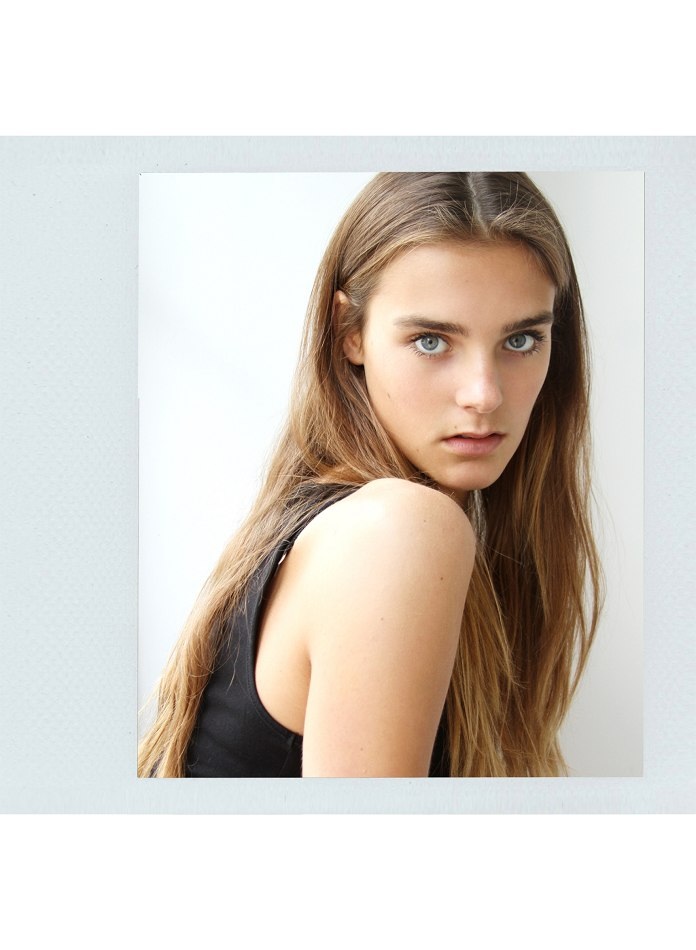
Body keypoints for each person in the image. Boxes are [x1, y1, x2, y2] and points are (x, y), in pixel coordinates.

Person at [138, 172, 603, 779]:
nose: (484, 395)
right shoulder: (397, 531)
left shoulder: (340, 525)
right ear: (348, 332)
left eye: (521, 339)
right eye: (431, 341)